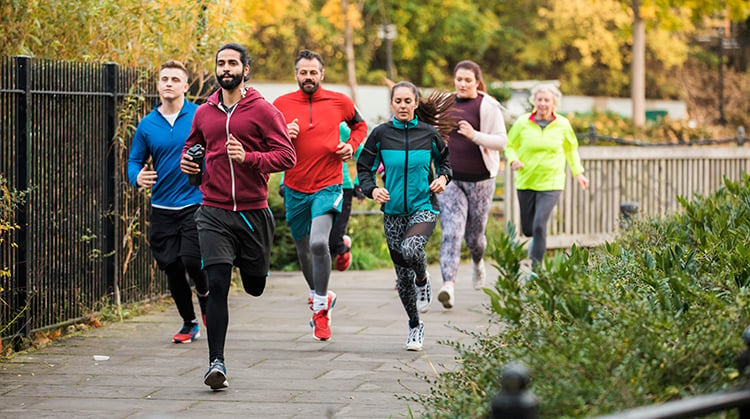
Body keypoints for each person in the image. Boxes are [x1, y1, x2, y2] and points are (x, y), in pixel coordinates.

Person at [180, 43, 296, 390]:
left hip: (252, 213)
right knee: (216, 284)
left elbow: (286, 156)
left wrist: (249, 158)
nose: (225, 68)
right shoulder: (204, 112)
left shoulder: (263, 111)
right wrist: (189, 162)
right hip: (213, 210)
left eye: (233, 63)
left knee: (255, 286)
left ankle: (257, 271)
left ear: (246, 70)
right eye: (221, 63)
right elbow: (192, 146)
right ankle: (217, 363)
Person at [272, 50, 367, 342]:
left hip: (329, 184)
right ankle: (319, 297)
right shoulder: (280, 105)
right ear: (296, 74)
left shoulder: (340, 101)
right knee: (303, 249)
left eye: (313, 72)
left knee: (317, 242)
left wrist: (351, 145)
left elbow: (360, 126)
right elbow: (264, 137)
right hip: (295, 186)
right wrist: (282, 133)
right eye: (303, 72)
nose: (308, 77)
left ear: (322, 74)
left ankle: (321, 309)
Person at [357, 81, 452, 351]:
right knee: (401, 276)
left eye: (407, 101)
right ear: (391, 104)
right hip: (394, 212)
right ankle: (414, 325)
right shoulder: (381, 135)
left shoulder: (429, 134)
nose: (402, 106)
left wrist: (443, 178)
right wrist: (373, 189)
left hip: (424, 206)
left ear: (415, 103)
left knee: (411, 250)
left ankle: (422, 278)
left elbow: (445, 163)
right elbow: (364, 167)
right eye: (397, 101)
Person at [127, 60, 209, 344]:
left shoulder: (200, 115)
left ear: (186, 86)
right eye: (165, 78)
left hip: (195, 202)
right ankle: (189, 322)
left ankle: (206, 295)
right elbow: (134, 160)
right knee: (171, 266)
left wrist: (204, 168)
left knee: (191, 259)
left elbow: (216, 151)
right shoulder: (147, 125)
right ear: (158, 85)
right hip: (162, 207)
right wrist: (137, 177)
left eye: (176, 79)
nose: (169, 83)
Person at [436, 60, 507, 310]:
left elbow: (501, 142)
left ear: (477, 82)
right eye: (459, 79)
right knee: (452, 231)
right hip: (451, 179)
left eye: (468, 80)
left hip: (481, 180)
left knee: (475, 236)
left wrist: (474, 135)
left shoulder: (487, 105)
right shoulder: (444, 102)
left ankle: (478, 262)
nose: (463, 84)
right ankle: (448, 285)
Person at [505, 83, 589, 268]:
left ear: (554, 102)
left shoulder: (562, 124)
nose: (543, 103)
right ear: (534, 101)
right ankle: (536, 246)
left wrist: (579, 174)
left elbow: (571, 150)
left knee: (539, 225)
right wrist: (513, 161)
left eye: (547, 100)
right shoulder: (522, 123)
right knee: (528, 229)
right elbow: (510, 145)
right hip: (526, 181)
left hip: (552, 182)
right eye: (540, 99)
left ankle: (536, 270)